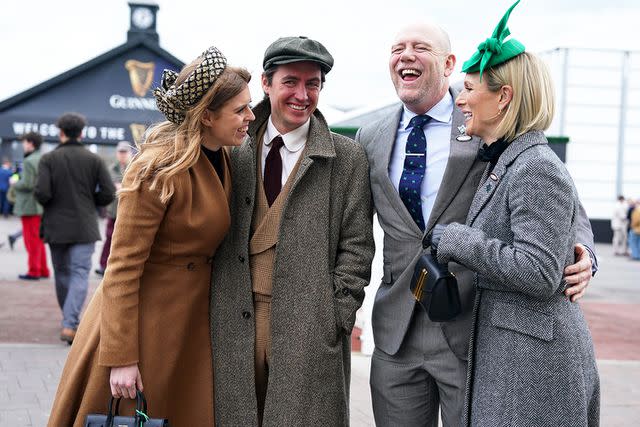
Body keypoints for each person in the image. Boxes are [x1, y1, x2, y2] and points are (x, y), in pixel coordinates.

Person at [355, 18, 598, 427]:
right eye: (398, 49)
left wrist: (583, 252)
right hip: (396, 329)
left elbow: (559, 197)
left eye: (420, 48)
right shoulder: (370, 136)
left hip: (467, 329)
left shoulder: (485, 127)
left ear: (449, 63)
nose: (406, 56)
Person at [48, 45, 255, 426]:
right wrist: (121, 357)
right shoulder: (156, 169)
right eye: (240, 109)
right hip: (145, 327)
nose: (250, 116)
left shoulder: (224, 157)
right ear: (207, 115)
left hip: (190, 321)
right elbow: (122, 267)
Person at [429, 2, 600, 424]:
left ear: (503, 96)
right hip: (514, 360)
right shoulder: (510, 159)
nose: (461, 99)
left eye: (469, 88)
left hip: (535, 369)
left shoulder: (535, 166)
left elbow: (540, 271)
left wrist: (458, 240)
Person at [210, 36, 374, 426]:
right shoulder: (232, 147)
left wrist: (336, 316)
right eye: (291, 82)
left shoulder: (346, 157)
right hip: (231, 316)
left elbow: (358, 247)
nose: (302, 94)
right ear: (266, 83)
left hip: (310, 325)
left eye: (313, 84)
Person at [35, 113, 115, 343]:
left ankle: (68, 321)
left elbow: (42, 193)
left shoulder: (48, 159)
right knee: (80, 273)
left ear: (61, 132)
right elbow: (109, 192)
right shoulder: (94, 160)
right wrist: (93, 202)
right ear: (81, 133)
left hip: (55, 226)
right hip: (84, 226)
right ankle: (70, 322)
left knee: (61, 273)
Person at [12, 132, 50, 280]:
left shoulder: (29, 161)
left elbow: (27, 184)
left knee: (31, 240)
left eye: (24, 142)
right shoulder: (43, 158)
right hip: (40, 205)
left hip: (29, 205)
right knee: (38, 240)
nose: (23, 145)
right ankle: (43, 269)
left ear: (30, 143)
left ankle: (34, 271)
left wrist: (15, 183)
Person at [95, 141, 133, 276]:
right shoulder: (112, 168)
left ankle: (122, 267)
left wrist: (121, 187)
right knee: (109, 237)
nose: (122, 155)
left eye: (125, 152)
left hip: (130, 211)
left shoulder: (135, 167)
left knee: (127, 240)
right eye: (120, 152)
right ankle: (103, 265)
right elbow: (110, 186)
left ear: (130, 153)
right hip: (113, 210)